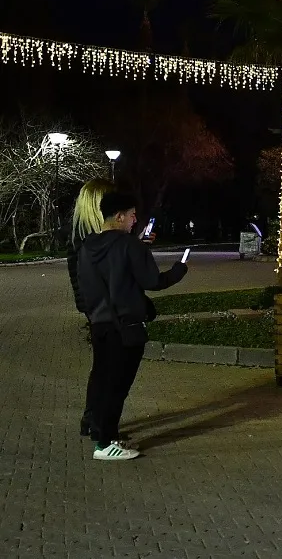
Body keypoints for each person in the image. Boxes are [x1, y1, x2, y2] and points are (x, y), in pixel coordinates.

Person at [77, 192, 187, 460]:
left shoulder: (87, 247)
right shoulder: (130, 246)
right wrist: (178, 271)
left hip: (100, 322)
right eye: (132, 214)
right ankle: (104, 445)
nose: (135, 220)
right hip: (126, 326)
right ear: (119, 216)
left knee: (104, 380)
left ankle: (104, 433)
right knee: (118, 386)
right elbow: (153, 281)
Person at [68, 178, 116, 440]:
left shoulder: (87, 237)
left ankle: (92, 419)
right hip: (102, 311)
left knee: (103, 367)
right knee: (107, 369)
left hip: (98, 310)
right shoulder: (89, 242)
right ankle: (99, 426)